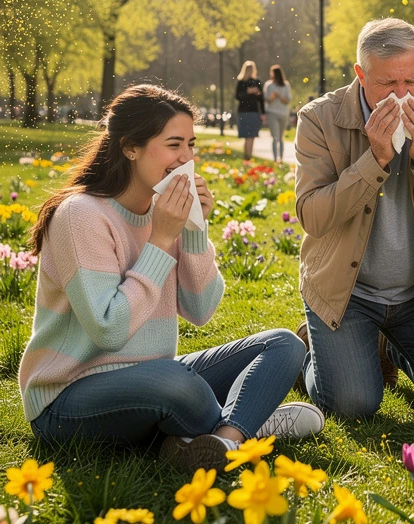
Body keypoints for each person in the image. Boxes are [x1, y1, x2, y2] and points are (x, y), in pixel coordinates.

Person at [19, 84, 323, 472]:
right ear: (131, 147)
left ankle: (225, 439)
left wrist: (195, 229)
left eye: (191, 145)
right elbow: (109, 331)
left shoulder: (164, 211)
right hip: (67, 400)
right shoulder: (81, 216)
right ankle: (250, 424)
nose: (187, 158)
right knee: (177, 382)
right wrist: (161, 239)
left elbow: (199, 310)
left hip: (152, 380)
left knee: (284, 346)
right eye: (174, 144)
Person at [293, 17, 414, 418]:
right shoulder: (319, 118)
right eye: (388, 84)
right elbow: (312, 216)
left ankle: (390, 346)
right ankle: (309, 355)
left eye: (411, 82)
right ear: (361, 74)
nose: (402, 95)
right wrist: (376, 159)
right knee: (354, 405)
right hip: (346, 294)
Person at [235, 61, 264, 161]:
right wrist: (247, 92)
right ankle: (246, 156)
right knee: (246, 136)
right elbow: (238, 96)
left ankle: (248, 157)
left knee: (252, 136)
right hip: (243, 111)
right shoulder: (241, 82)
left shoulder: (257, 81)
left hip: (254, 111)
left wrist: (263, 113)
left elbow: (261, 99)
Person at [264, 64, 292, 162]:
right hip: (272, 113)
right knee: (275, 137)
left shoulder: (286, 85)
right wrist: (272, 97)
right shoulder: (269, 85)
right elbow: (266, 99)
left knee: (280, 137)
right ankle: (276, 159)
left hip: (283, 113)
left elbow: (288, 100)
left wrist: (280, 97)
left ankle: (282, 158)